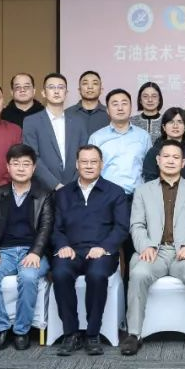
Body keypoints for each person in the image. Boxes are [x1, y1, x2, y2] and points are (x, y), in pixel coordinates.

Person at [122, 141, 185, 356]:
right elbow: (137, 225)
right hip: (153, 252)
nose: (171, 161)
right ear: (158, 160)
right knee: (138, 273)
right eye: (166, 156)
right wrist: (145, 245)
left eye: (176, 157)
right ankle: (134, 334)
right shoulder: (143, 191)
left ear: (183, 163)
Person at [51, 145, 130, 356]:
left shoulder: (115, 192)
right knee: (60, 273)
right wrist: (62, 245)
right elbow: (54, 228)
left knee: (96, 275)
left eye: (93, 162)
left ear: (101, 164)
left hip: (101, 252)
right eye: (84, 162)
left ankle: (93, 333)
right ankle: (71, 333)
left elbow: (121, 227)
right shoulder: (63, 194)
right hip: (70, 251)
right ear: (77, 164)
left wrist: (104, 248)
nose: (88, 166)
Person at [0, 144, 53, 351]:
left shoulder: (44, 195)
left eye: (26, 164)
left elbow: (46, 227)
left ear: (33, 168)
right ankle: (0, 328)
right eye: (16, 163)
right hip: (4, 253)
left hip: (33, 252)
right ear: (8, 167)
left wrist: (35, 252)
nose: (21, 168)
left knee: (28, 277)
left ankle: (21, 330)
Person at [23, 73, 89, 191]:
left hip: (75, 188)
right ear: (43, 93)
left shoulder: (79, 121)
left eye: (61, 87)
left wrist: (73, 184)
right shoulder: (31, 121)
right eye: (51, 87)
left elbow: (84, 155)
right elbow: (32, 156)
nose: (56, 91)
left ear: (66, 93)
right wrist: (55, 185)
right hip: (43, 189)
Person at [88, 89, 153, 197]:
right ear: (107, 110)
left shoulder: (143, 136)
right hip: (106, 197)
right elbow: (91, 170)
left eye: (124, 103)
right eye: (115, 104)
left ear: (131, 108)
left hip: (137, 197)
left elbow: (149, 169)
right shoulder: (96, 138)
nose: (120, 108)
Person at [142, 108, 185, 184]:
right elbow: (150, 180)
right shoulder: (154, 151)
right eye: (171, 122)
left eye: (180, 122)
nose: (175, 126)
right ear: (164, 127)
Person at [66, 70, 109, 134]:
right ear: (79, 90)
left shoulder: (110, 114)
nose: (90, 87)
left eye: (95, 83)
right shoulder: (67, 114)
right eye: (85, 83)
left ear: (101, 90)